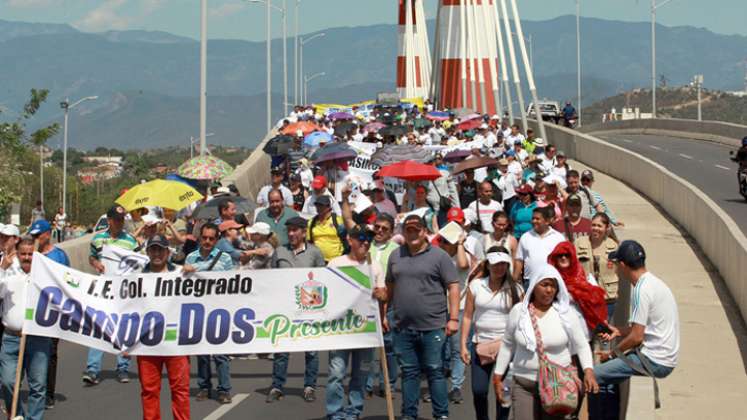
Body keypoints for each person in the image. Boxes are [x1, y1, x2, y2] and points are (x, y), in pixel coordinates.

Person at [493, 264, 599, 420]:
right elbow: (508, 345)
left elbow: (582, 345)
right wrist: (497, 377)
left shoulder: (566, 314)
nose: (549, 290)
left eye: (553, 286)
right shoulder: (518, 313)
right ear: (534, 286)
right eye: (545, 285)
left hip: (556, 388)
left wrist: (589, 371)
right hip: (524, 385)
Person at [386, 214, 460, 420]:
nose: (412, 233)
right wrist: (384, 313)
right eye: (408, 230)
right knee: (409, 373)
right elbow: (389, 287)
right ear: (403, 232)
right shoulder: (395, 256)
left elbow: (453, 286)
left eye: (416, 229)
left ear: (425, 231)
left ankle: (441, 415)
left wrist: (453, 318)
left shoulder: (439, 256)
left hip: (433, 325)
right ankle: (409, 415)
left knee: (435, 371)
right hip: (403, 326)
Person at [595, 240, 679, 386]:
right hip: (666, 357)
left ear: (622, 266)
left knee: (594, 375)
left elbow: (636, 337)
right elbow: (647, 328)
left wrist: (611, 355)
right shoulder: (655, 283)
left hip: (655, 361)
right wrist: (619, 331)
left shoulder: (641, 290)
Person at [325, 226, 388, 420]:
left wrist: (382, 298)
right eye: (360, 238)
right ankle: (335, 413)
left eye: (368, 239)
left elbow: (384, 293)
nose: (365, 242)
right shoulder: (335, 264)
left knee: (361, 374)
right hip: (341, 329)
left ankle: (354, 411)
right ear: (349, 240)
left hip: (365, 329)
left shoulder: (374, 266)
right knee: (336, 373)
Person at [461, 247, 523, 420]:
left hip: (507, 346)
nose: (499, 268)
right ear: (488, 265)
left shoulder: (516, 289)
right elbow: (467, 316)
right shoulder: (475, 286)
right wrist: (463, 345)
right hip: (481, 343)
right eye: (496, 264)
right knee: (479, 391)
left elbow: (522, 319)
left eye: (503, 264)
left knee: (503, 390)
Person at [267, 216, 324, 403]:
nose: (291, 234)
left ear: (303, 232)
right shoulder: (279, 251)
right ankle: (277, 386)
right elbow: (271, 279)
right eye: (289, 230)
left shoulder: (315, 253)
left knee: (312, 351)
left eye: (295, 230)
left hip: (309, 309)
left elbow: (322, 281)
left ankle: (309, 386)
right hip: (285, 309)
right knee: (281, 351)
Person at [136, 234, 190, 420]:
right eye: (153, 249)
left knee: (180, 390)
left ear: (168, 252)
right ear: (148, 252)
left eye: (161, 249)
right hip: (147, 344)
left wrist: (194, 273)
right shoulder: (137, 278)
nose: (157, 253)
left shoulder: (182, 274)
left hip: (176, 342)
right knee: (149, 391)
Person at [0, 238, 54, 420]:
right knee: (7, 382)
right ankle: (17, 415)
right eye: (23, 253)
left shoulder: (44, 274)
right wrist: (1, 268)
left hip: (38, 338)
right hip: (11, 338)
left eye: (31, 254)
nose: (27, 257)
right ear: (17, 253)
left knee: (38, 386)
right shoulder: (8, 274)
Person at [84, 205, 138, 385]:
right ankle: (92, 369)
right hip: (104, 291)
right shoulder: (98, 238)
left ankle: (122, 367)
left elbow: (139, 262)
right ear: (109, 221)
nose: (120, 223)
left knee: (123, 330)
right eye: (117, 220)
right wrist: (96, 264)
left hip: (124, 293)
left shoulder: (131, 241)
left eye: (122, 220)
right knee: (99, 328)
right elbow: (91, 257)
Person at [183, 223, 235, 404]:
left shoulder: (226, 259)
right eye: (204, 238)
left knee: (220, 354)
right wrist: (185, 272)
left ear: (216, 240)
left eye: (211, 238)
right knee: (202, 352)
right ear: (199, 238)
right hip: (197, 310)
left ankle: (224, 389)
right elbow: (183, 285)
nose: (207, 241)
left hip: (219, 310)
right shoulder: (191, 258)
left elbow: (233, 284)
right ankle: (204, 387)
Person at [28, 220, 69, 409]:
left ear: (48, 234)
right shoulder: (29, 254)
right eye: (33, 236)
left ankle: (48, 394)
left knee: (50, 352)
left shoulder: (59, 256)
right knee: (31, 352)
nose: (36, 239)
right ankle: (35, 389)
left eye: (39, 235)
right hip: (32, 310)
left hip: (52, 312)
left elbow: (69, 281)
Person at [365, 214, 400, 397]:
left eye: (384, 228)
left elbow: (395, 280)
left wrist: (386, 310)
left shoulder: (396, 250)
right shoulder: (365, 246)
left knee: (389, 346)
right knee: (368, 346)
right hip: (367, 302)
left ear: (391, 232)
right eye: (377, 227)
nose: (379, 231)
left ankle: (389, 384)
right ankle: (368, 384)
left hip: (388, 301)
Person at [575, 213, 619, 319]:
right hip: (585, 297)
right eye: (593, 225)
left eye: (599, 226)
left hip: (607, 298)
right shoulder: (579, 242)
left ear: (606, 228)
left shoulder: (613, 245)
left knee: (604, 331)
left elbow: (618, 271)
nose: (595, 228)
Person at [513, 206, 565, 290]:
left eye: (537, 219)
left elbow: (563, 261)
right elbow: (519, 260)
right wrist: (514, 280)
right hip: (529, 282)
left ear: (547, 221)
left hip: (551, 282)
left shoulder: (558, 238)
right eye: (533, 218)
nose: (534, 221)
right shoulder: (525, 237)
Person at [307, 195, 346, 262]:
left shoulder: (337, 220)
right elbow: (308, 241)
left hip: (336, 260)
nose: (319, 208)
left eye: (321, 205)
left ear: (328, 207)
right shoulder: (311, 222)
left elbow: (345, 238)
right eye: (317, 205)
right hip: (318, 261)